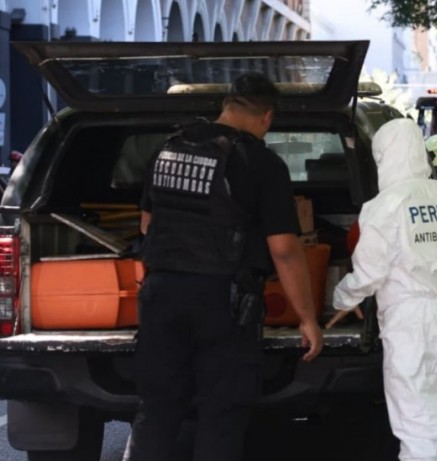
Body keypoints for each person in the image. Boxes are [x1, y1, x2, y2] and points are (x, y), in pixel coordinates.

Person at [129, 72, 324, 461]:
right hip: (223, 304)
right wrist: (307, 318)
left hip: (161, 295)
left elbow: (148, 226)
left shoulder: (167, 149)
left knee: (158, 410)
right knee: (222, 414)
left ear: (226, 106)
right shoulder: (261, 162)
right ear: (267, 117)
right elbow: (284, 250)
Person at [326, 118, 437, 461]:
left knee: (417, 426)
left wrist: (339, 298)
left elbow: (370, 269)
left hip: (412, 323)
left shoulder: (385, 205)